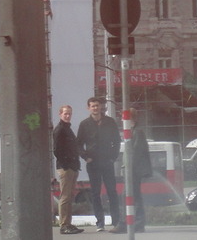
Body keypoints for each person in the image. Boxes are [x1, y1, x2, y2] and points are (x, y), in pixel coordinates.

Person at [76, 97, 122, 233]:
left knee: (112, 192)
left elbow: (117, 141)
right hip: (93, 163)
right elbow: (78, 144)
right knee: (95, 193)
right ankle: (100, 223)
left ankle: (116, 221)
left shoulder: (110, 122)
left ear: (101, 107)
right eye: (93, 106)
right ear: (88, 108)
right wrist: (85, 157)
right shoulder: (84, 124)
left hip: (107, 162)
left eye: (97, 105)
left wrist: (113, 157)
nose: (95, 108)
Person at [52, 104, 83, 235]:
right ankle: (64, 225)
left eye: (69, 113)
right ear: (60, 114)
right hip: (66, 168)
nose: (68, 116)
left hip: (72, 166)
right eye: (65, 113)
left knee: (69, 196)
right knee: (65, 196)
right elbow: (57, 150)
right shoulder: (59, 130)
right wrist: (66, 165)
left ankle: (68, 223)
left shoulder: (67, 129)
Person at [127, 121, 153, 232]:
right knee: (134, 196)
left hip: (135, 170)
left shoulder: (137, 132)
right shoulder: (135, 131)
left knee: (134, 196)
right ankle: (136, 223)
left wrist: (129, 165)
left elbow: (136, 151)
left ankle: (137, 223)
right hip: (134, 169)